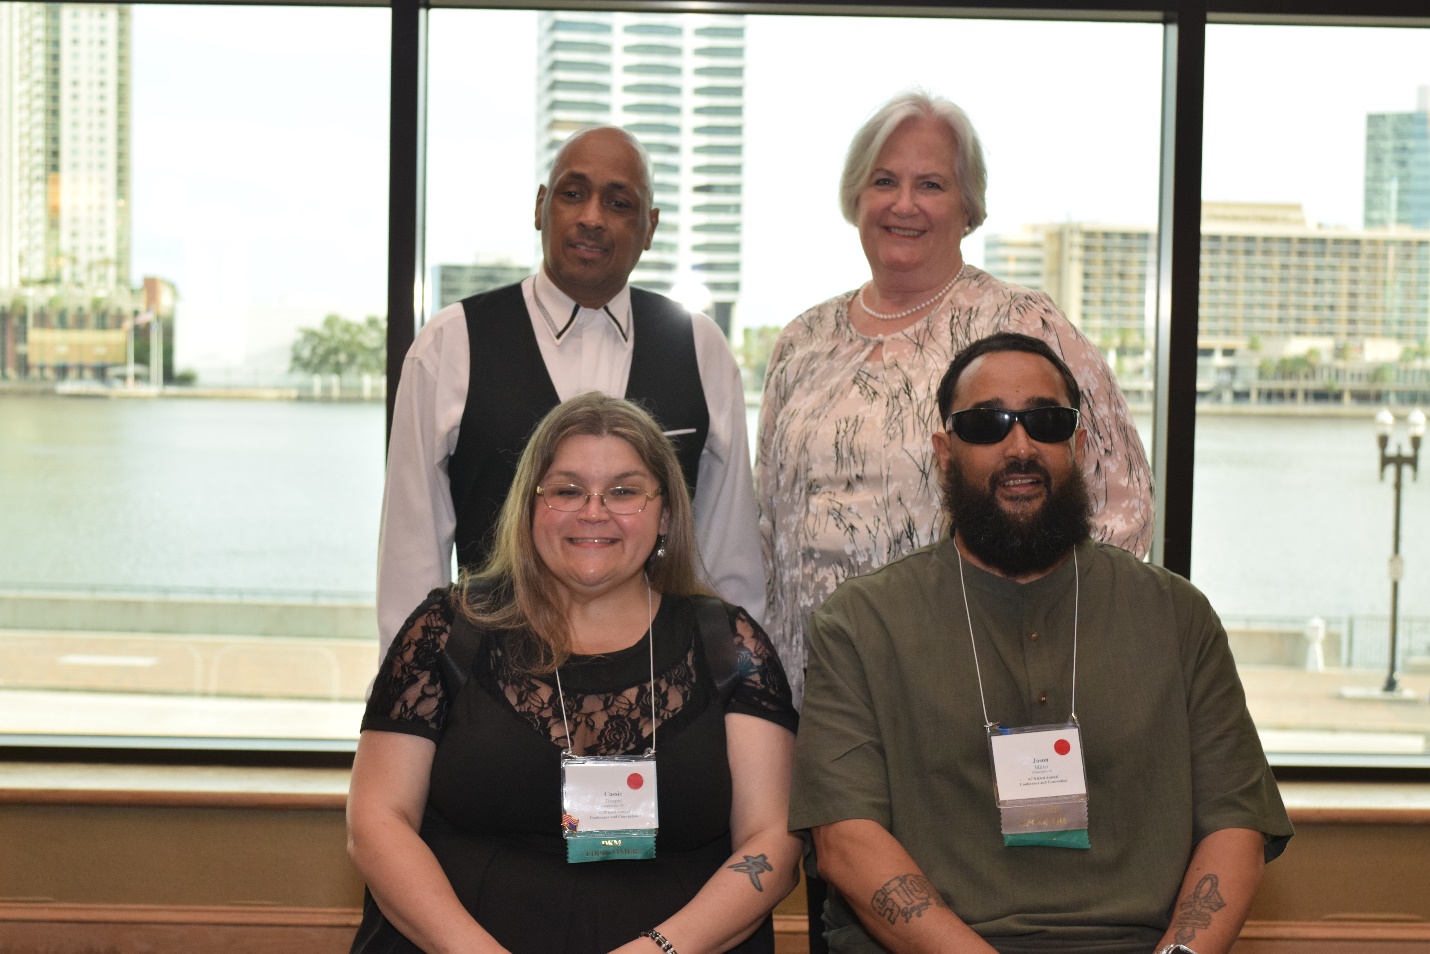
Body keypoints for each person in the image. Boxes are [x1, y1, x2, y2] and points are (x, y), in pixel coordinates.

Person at [789, 333, 1292, 954]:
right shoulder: (860, 625)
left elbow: (1236, 825)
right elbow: (845, 841)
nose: (1020, 446)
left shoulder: (1175, 615)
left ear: (1077, 446)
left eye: (1046, 422)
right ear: (944, 453)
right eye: (987, 423)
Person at [349, 392, 801, 954]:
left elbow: (772, 844)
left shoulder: (731, 646)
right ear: (531, 507)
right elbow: (376, 821)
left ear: (665, 513)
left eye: (624, 491)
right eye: (566, 490)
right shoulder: (447, 629)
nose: (594, 511)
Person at [758, 91, 1152, 704]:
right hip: (813, 688)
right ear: (855, 197)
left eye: (932, 185)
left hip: (973, 685)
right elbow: (768, 523)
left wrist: (1043, 648)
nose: (904, 204)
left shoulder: (1023, 322)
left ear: (969, 207)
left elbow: (1121, 502)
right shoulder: (801, 340)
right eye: (884, 180)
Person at [378, 124, 764, 660]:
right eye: (573, 193)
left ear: (649, 227)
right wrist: (407, 704)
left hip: (659, 687)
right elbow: (410, 551)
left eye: (619, 202)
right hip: (490, 680)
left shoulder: (700, 346)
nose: (591, 218)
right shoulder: (451, 343)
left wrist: (738, 688)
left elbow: (729, 553)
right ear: (541, 207)